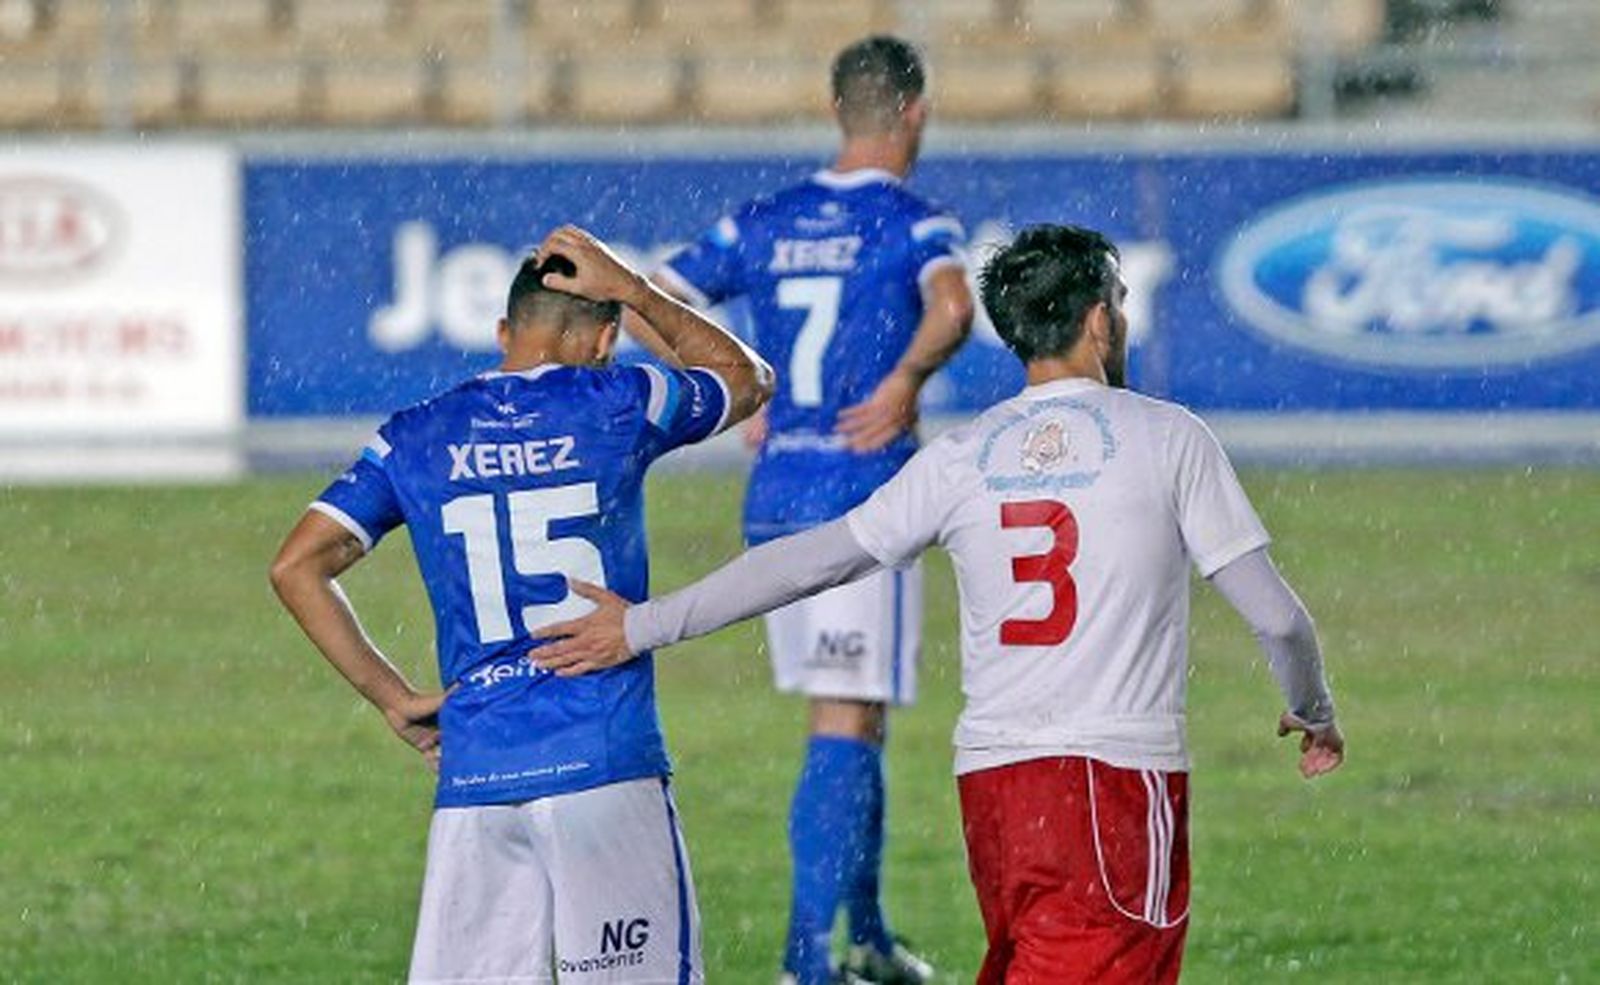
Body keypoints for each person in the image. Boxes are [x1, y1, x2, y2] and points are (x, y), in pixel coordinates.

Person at [528, 224, 1347, 985]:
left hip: (995, 788)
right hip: (1112, 781)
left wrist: (644, 622)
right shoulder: (1168, 437)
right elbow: (1277, 618)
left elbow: (810, 560)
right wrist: (1313, 708)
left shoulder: (964, 456)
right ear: (1099, 320)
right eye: (1120, 303)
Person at [269, 225, 774, 984]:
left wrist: (393, 697)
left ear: (504, 333)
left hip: (476, 779)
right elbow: (747, 378)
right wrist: (635, 290)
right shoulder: (620, 401)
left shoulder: (414, 434)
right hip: (600, 764)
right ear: (604, 340)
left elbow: (296, 566)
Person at [637, 34, 975, 985]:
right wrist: (905, 380)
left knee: (858, 717)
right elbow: (954, 307)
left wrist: (733, 386)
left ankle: (864, 935)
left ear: (837, 110)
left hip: (780, 494)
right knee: (845, 715)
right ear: (914, 112)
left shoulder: (768, 220)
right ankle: (805, 961)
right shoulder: (913, 221)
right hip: (862, 499)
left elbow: (650, 297)